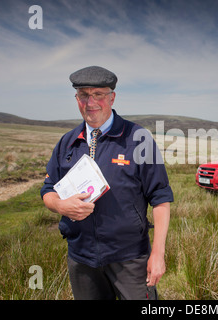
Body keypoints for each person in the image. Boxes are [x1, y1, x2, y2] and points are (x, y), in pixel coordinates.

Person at [40, 66, 173, 300]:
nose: (90, 102)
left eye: (98, 94)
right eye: (83, 95)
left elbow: (160, 197)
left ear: (112, 97)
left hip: (130, 259)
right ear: (77, 99)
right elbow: (48, 190)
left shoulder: (139, 139)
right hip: (81, 259)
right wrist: (60, 206)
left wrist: (158, 254)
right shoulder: (67, 142)